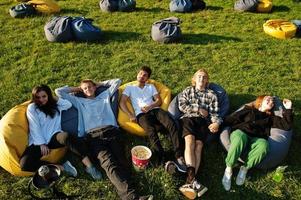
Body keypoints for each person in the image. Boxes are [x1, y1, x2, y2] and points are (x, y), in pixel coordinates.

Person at [55, 79, 152, 200]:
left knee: (122, 161)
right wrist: (77, 88)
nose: (88, 89)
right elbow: (58, 91)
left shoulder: (104, 96)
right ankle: (131, 197)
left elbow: (117, 81)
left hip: (111, 132)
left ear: (94, 87)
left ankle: (131, 192)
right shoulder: (79, 101)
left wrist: (99, 84)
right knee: (109, 163)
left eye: (90, 87)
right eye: (85, 88)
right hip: (93, 137)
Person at [20, 85, 101, 180]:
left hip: (54, 136)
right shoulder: (32, 107)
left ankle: (90, 166)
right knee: (24, 165)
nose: (41, 99)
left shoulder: (56, 105)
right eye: (38, 97)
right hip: (37, 142)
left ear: (49, 95)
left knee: (66, 137)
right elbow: (34, 126)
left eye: (44, 96)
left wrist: (52, 99)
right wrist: (41, 143)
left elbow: (68, 104)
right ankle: (62, 167)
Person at [222, 96, 293, 191]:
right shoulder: (248, 110)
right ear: (260, 101)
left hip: (257, 138)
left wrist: (288, 108)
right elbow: (232, 118)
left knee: (264, 145)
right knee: (239, 138)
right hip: (241, 132)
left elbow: (287, 126)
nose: (271, 101)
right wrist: (218, 124)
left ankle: (244, 169)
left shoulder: (270, 118)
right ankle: (229, 168)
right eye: (268, 99)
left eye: (272, 101)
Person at [120, 66, 185, 169]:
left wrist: (150, 106)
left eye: (145, 75)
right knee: (151, 131)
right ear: (137, 75)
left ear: (147, 78)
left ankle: (178, 155)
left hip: (155, 110)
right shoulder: (130, 88)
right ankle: (162, 157)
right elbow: (122, 102)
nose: (142, 76)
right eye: (140, 73)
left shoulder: (151, 87)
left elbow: (158, 101)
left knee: (171, 123)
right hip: (141, 114)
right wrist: (130, 115)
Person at [177, 69, 222, 199]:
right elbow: (181, 106)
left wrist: (216, 123)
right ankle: (192, 179)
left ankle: (189, 182)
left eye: (204, 77)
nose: (201, 79)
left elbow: (214, 113)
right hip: (189, 118)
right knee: (190, 141)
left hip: (202, 122)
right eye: (199, 77)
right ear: (194, 79)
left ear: (207, 80)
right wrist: (198, 109)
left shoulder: (212, 94)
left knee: (199, 146)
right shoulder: (188, 90)